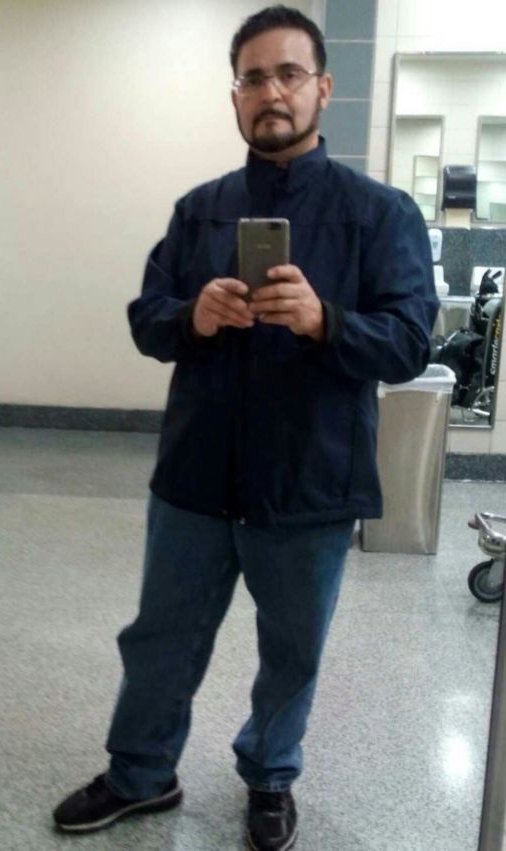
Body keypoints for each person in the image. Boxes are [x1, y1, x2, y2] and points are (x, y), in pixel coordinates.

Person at [53, 6, 439, 849]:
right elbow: (147, 320)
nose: (272, 92)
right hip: (195, 477)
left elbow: (411, 341)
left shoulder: (381, 214)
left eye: (289, 74)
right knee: (160, 637)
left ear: (322, 89)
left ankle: (270, 775)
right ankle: (141, 773)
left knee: (291, 649)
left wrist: (326, 320)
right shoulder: (199, 212)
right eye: (253, 77)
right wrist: (192, 315)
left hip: (310, 482)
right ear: (235, 96)